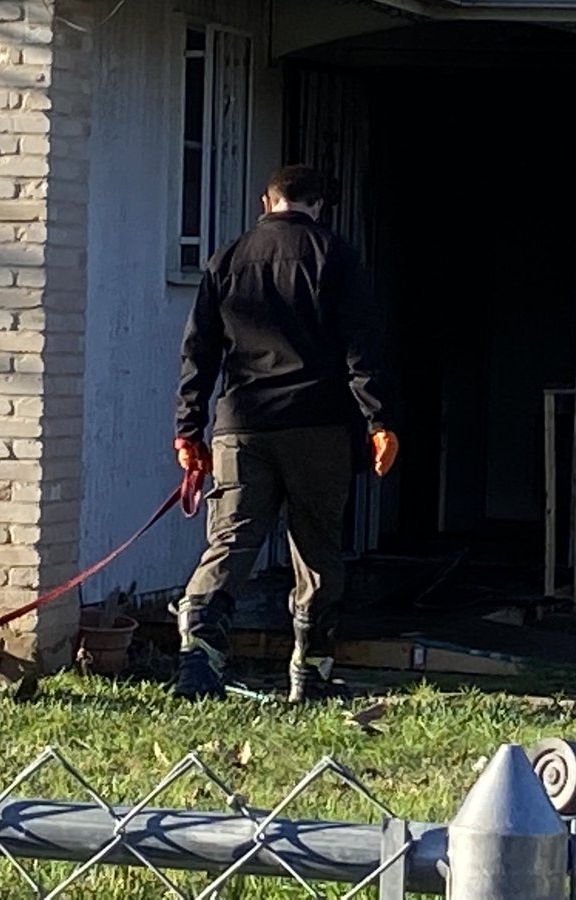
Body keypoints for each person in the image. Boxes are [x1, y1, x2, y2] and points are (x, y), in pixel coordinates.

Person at [172, 163, 399, 702]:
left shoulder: (226, 258)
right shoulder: (336, 256)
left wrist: (189, 427)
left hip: (241, 425)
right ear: (319, 204)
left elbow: (199, 350)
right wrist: (379, 419)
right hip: (317, 425)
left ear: (264, 201)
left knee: (230, 541)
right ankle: (311, 674)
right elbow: (360, 350)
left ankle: (198, 662)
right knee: (317, 547)